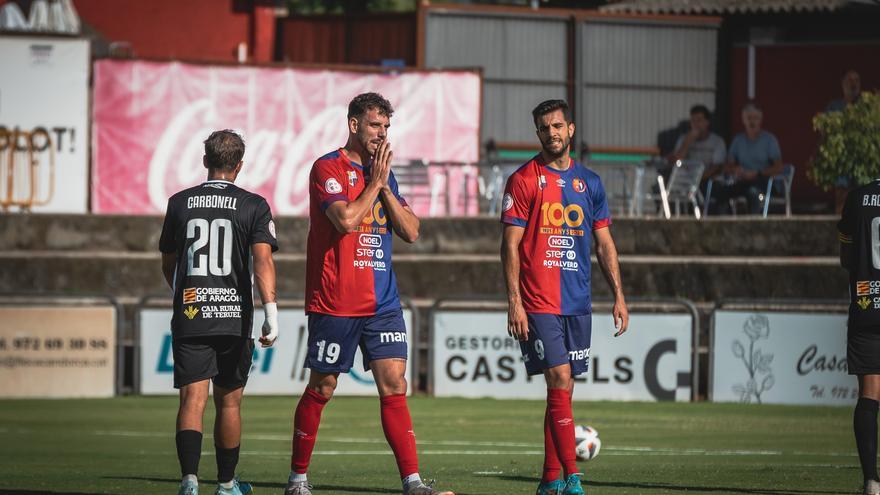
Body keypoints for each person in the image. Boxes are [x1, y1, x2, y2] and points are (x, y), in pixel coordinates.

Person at [283, 92, 453, 495]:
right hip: (336, 300)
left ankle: (412, 482)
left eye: (387, 127)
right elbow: (344, 220)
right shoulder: (327, 167)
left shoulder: (384, 176)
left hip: (383, 302)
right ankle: (297, 479)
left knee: (395, 384)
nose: (382, 133)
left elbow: (411, 231)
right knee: (323, 386)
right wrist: (374, 182)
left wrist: (384, 187)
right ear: (354, 124)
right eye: (376, 125)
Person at [500, 99, 630, 495]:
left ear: (570, 129)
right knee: (558, 378)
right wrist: (514, 301)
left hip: (578, 301)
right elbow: (509, 246)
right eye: (544, 128)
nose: (551, 133)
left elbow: (605, 244)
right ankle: (573, 478)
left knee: (564, 388)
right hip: (538, 301)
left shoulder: (589, 183)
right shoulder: (523, 180)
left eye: (557, 126)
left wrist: (619, 296)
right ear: (537, 133)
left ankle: (548, 480)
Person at [159, 130, 280, 495]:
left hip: (192, 312)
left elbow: (169, 262)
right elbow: (262, 260)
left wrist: (186, 296)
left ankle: (189, 483)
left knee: (191, 400)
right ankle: (226, 485)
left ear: (205, 161)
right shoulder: (253, 204)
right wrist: (271, 312)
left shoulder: (179, 202)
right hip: (234, 317)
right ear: (239, 165)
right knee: (229, 402)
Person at [839, 183, 880, 495]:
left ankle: (871, 481)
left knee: (868, 394)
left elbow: (846, 258)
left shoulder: (857, 197)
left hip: (867, 304)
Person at [715, 102, 784, 215]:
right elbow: (728, 165)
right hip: (743, 181)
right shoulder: (738, 140)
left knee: (753, 193)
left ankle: (753, 228)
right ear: (743, 120)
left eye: (755, 118)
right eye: (749, 118)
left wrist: (757, 173)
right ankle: (721, 227)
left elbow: (778, 167)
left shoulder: (769, 140)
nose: (752, 121)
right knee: (722, 192)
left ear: (760, 120)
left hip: (764, 183)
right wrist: (735, 169)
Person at [671, 104, 726, 182]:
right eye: (693, 121)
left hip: (707, 180)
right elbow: (676, 163)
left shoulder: (717, 141)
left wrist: (699, 178)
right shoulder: (684, 139)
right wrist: (686, 143)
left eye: (699, 120)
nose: (696, 124)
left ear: (707, 122)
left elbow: (717, 167)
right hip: (685, 181)